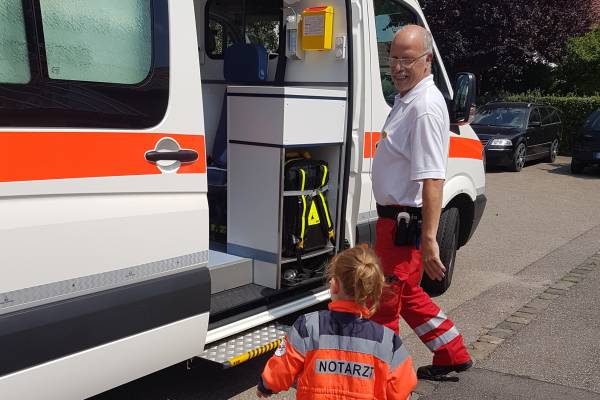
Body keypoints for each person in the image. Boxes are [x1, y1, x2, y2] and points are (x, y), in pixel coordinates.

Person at [370, 25, 473, 381]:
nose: (398, 67)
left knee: (384, 305)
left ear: (426, 61)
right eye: (393, 58)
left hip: (403, 225)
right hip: (393, 223)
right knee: (409, 296)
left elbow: (432, 178)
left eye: (407, 59)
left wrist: (430, 240)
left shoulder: (425, 107)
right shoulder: (407, 98)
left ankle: (386, 378)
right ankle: (452, 352)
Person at [256, 246, 417, 399]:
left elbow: (281, 369)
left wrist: (266, 385)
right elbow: (401, 391)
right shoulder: (388, 342)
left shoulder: (307, 327)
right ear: (373, 291)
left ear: (334, 286)